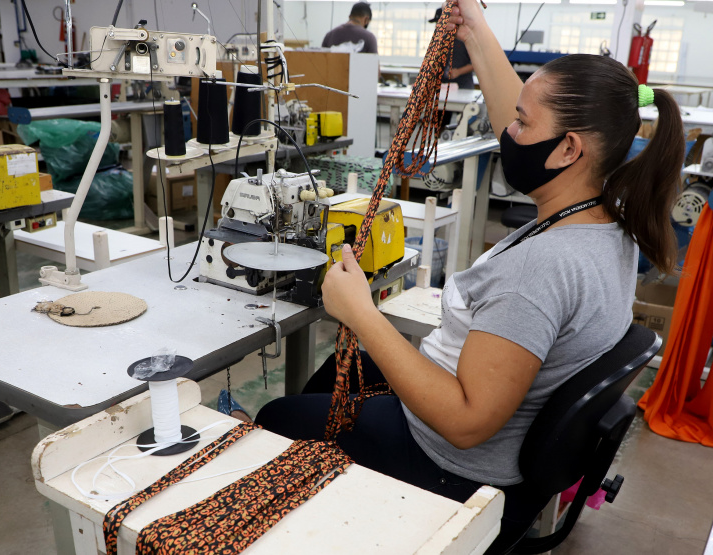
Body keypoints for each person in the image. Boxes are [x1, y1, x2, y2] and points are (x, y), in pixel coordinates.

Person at [251, 0, 684, 520]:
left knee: (276, 416)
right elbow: (522, 126)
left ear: (569, 149)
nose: (510, 135)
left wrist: (360, 312)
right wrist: (476, 32)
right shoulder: (608, 221)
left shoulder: (543, 267)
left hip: (452, 463)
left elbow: (465, 420)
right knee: (332, 379)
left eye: (522, 124)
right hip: (488, 437)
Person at [429, 7, 473, 90]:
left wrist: (459, 71)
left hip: (463, 86)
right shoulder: (438, 40)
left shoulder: (465, 38)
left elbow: (476, 63)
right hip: (443, 85)